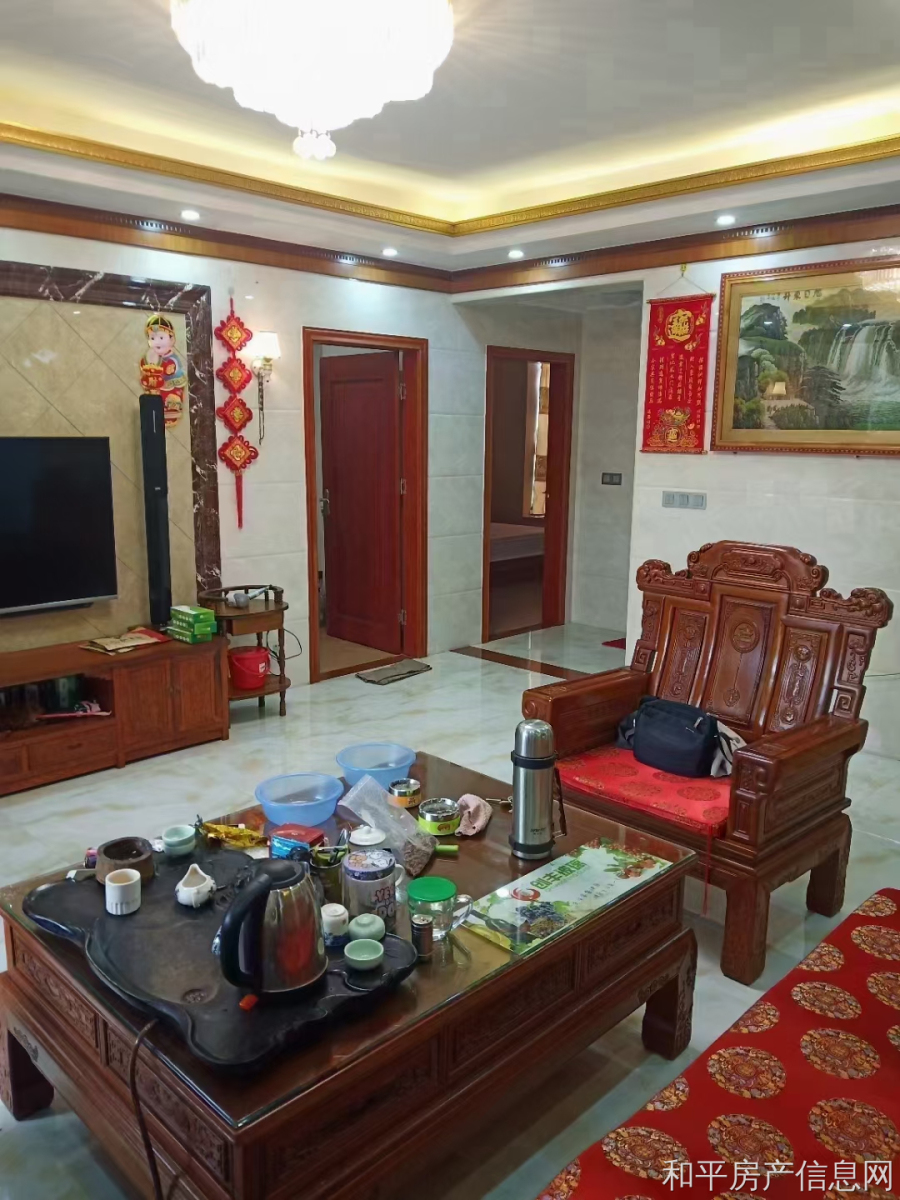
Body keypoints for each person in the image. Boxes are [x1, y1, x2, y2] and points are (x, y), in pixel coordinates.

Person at [140, 314, 188, 428]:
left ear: (172, 340)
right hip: (158, 386)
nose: (157, 342)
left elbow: (167, 370)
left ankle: (170, 415)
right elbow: (145, 365)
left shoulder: (172, 359)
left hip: (171, 386)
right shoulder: (153, 355)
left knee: (170, 402)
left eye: (161, 338)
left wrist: (155, 367)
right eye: (152, 338)